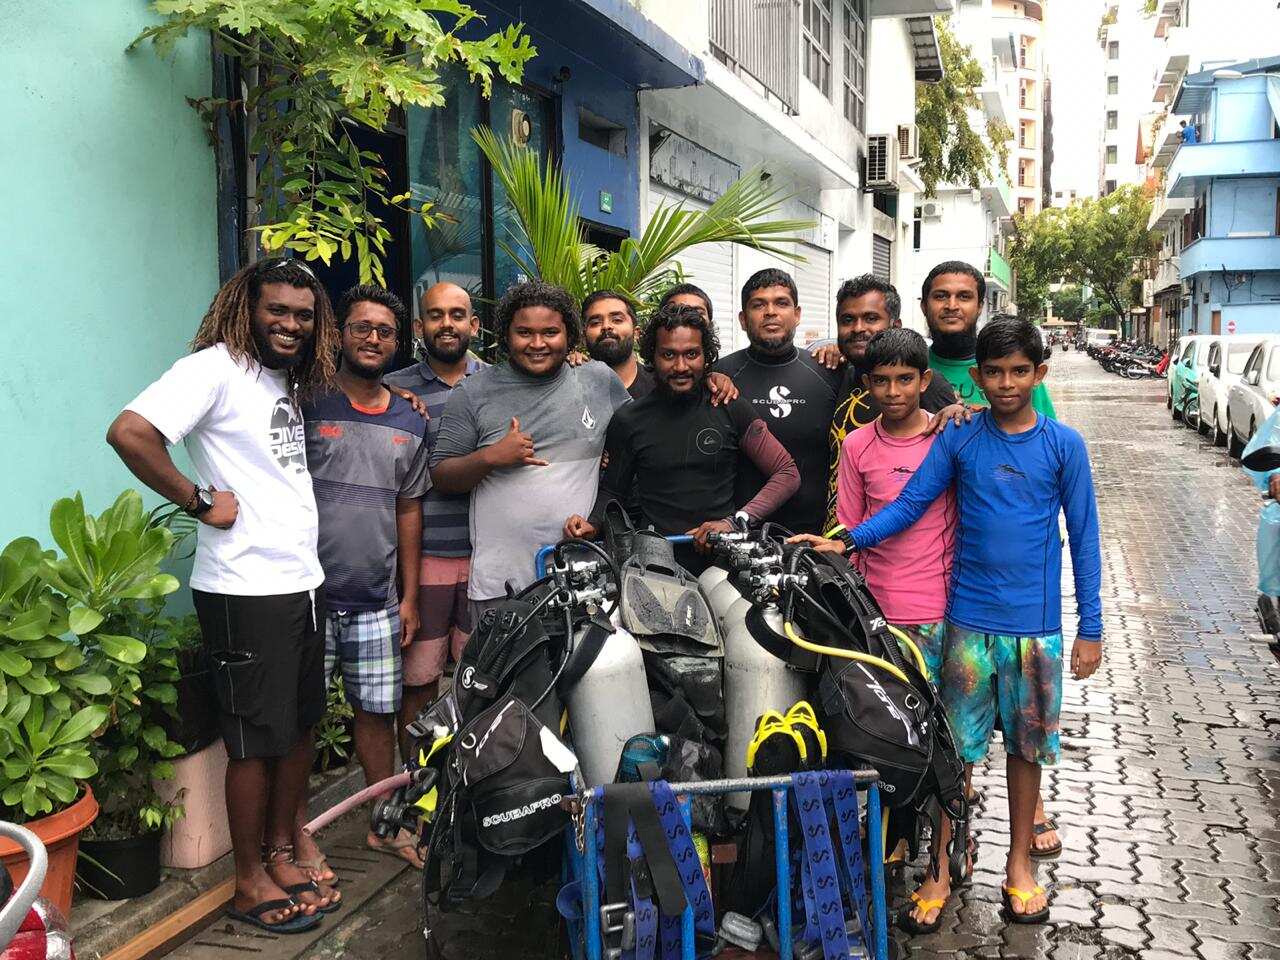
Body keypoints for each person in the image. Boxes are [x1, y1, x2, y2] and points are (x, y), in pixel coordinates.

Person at [106, 258, 340, 933]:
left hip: (299, 582)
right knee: (254, 741)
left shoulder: (283, 378)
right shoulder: (213, 369)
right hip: (244, 589)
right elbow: (130, 432)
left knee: (298, 727)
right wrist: (198, 499)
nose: (291, 324)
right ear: (247, 309)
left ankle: (280, 854)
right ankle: (247, 880)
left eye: (303, 315)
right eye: (278, 311)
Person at [845, 318, 1103, 928]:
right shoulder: (959, 435)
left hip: (1035, 627)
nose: (1006, 383)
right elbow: (912, 504)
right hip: (966, 620)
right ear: (977, 377)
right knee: (954, 751)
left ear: (1040, 374)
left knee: (1026, 748)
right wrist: (849, 541)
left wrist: (1090, 628)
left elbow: (1085, 537)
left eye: (1019, 371)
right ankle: (940, 867)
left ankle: (1018, 865)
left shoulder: (1064, 445)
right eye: (994, 372)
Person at [303, 285, 431, 869]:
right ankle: (293, 836)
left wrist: (409, 596)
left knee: (377, 714)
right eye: (362, 327)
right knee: (300, 721)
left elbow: (409, 508)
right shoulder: (307, 402)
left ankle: (384, 823)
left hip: (376, 599)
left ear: (397, 342)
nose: (373, 338)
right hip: (305, 596)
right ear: (339, 334)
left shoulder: (410, 418)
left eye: (384, 331)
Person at [430, 280, 630, 618]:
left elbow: (637, 442)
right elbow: (441, 476)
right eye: (524, 333)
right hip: (502, 587)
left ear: (569, 335)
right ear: (507, 336)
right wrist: (490, 457)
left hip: (584, 581)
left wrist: (713, 381)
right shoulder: (473, 392)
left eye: (550, 332)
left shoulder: (598, 380)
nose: (537, 344)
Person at [563, 304, 800, 569]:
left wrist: (735, 522)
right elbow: (613, 489)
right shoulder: (628, 419)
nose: (680, 366)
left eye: (691, 354)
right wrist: (592, 523)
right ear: (652, 356)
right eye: (668, 355)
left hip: (725, 565)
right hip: (655, 565)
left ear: (706, 356)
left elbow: (787, 473)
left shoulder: (729, 406)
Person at [792, 328, 955, 678]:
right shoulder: (856, 444)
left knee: (934, 707)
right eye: (881, 380)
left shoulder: (948, 436)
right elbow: (849, 524)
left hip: (936, 610)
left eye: (905, 379)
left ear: (925, 381)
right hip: (873, 608)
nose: (893, 391)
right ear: (867, 383)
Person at [384, 283, 486, 762]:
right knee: (419, 681)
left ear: (474, 325)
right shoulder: (393, 388)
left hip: (488, 558)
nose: (447, 324)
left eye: (457, 314)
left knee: (482, 680)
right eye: (436, 315)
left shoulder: (500, 382)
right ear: (419, 326)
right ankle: (415, 784)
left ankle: (470, 783)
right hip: (425, 559)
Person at [825, 275, 958, 529]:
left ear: (895, 325)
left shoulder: (927, 386)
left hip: (902, 538)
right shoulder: (835, 373)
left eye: (871, 318)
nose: (858, 328)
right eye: (848, 320)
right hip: (839, 535)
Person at [716, 269, 841, 535]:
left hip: (814, 537)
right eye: (758, 305)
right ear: (742, 319)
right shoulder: (719, 377)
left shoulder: (830, 372)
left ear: (797, 315)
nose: (770, 312)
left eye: (781, 303)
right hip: (737, 535)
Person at [920, 261, 1056, 418]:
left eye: (964, 297)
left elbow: (1045, 431)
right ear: (924, 306)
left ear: (979, 307)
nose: (952, 305)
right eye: (940, 296)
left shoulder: (1018, 370)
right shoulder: (907, 369)